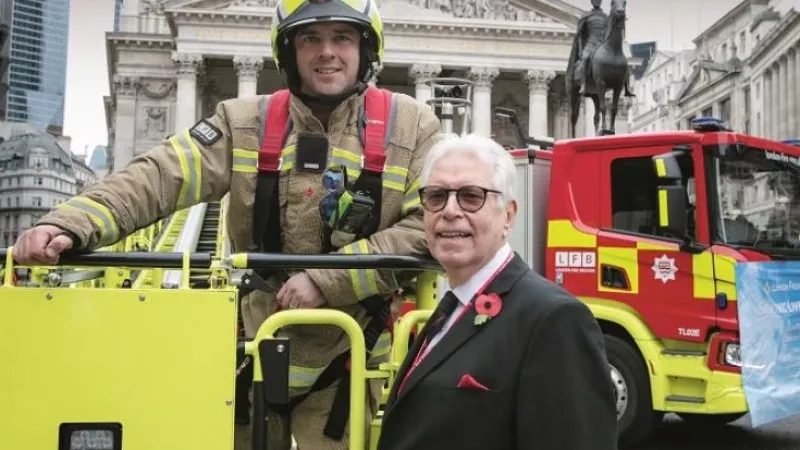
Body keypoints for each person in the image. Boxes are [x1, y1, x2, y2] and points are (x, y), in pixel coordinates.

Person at [11, 0, 441, 448]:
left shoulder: (412, 127)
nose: (326, 51)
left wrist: (327, 278)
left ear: (366, 48)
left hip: (350, 359)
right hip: (252, 349)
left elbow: (432, 225)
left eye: (342, 37)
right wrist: (73, 221)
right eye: (310, 38)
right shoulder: (243, 122)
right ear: (288, 52)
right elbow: (161, 174)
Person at [376, 134, 618, 450]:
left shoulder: (555, 320)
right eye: (436, 196)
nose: (449, 210)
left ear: (508, 216)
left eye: (471, 196)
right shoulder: (453, 305)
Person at [574, 0, 607, 96]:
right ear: (592, 2)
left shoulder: (606, 17)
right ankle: (584, 84)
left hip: (602, 45)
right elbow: (580, 35)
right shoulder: (586, 16)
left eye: (599, 0)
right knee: (585, 58)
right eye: (595, 0)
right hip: (590, 44)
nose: (597, 2)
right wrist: (580, 50)